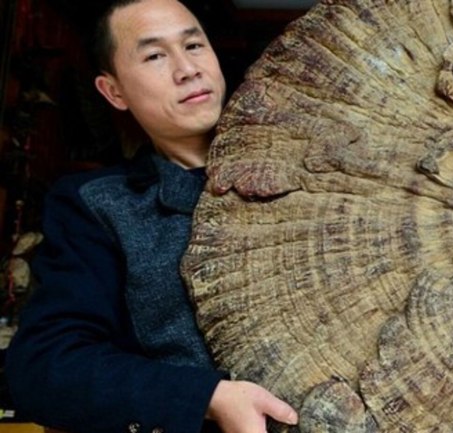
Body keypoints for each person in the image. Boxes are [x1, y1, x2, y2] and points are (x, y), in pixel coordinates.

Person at [4, 0, 299, 432]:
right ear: (114, 91)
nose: (187, 69)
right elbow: (45, 365)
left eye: (193, 45)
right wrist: (207, 397)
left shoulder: (314, 169)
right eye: (155, 56)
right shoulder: (99, 206)